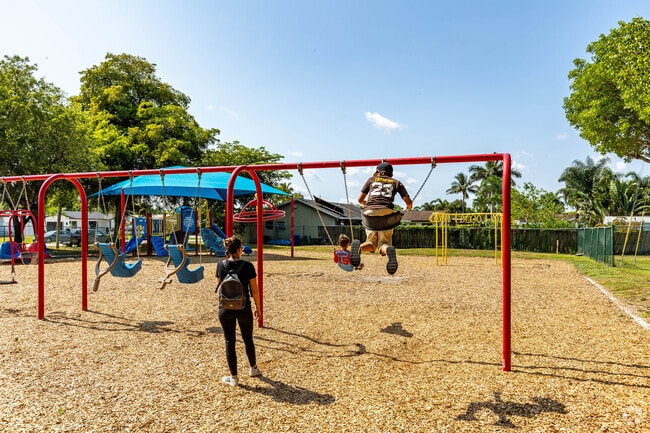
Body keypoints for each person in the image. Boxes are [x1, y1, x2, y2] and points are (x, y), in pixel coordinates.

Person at [351, 162, 413, 275]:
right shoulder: (396, 182)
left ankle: (358, 249)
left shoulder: (371, 180)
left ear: (377, 171)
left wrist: (368, 204)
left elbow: (360, 200)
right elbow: (408, 203)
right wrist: (408, 208)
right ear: (391, 173)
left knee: (371, 243)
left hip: (369, 212)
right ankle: (388, 250)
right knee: (384, 243)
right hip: (386, 213)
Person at [216, 235, 262, 386]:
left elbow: (220, 286)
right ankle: (253, 368)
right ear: (239, 250)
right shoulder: (248, 266)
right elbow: (254, 290)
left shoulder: (220, 265)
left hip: (225, 309)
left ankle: (234, 377)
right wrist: (258, 308)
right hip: (243, 307)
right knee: (247, 338)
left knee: (229, 341)